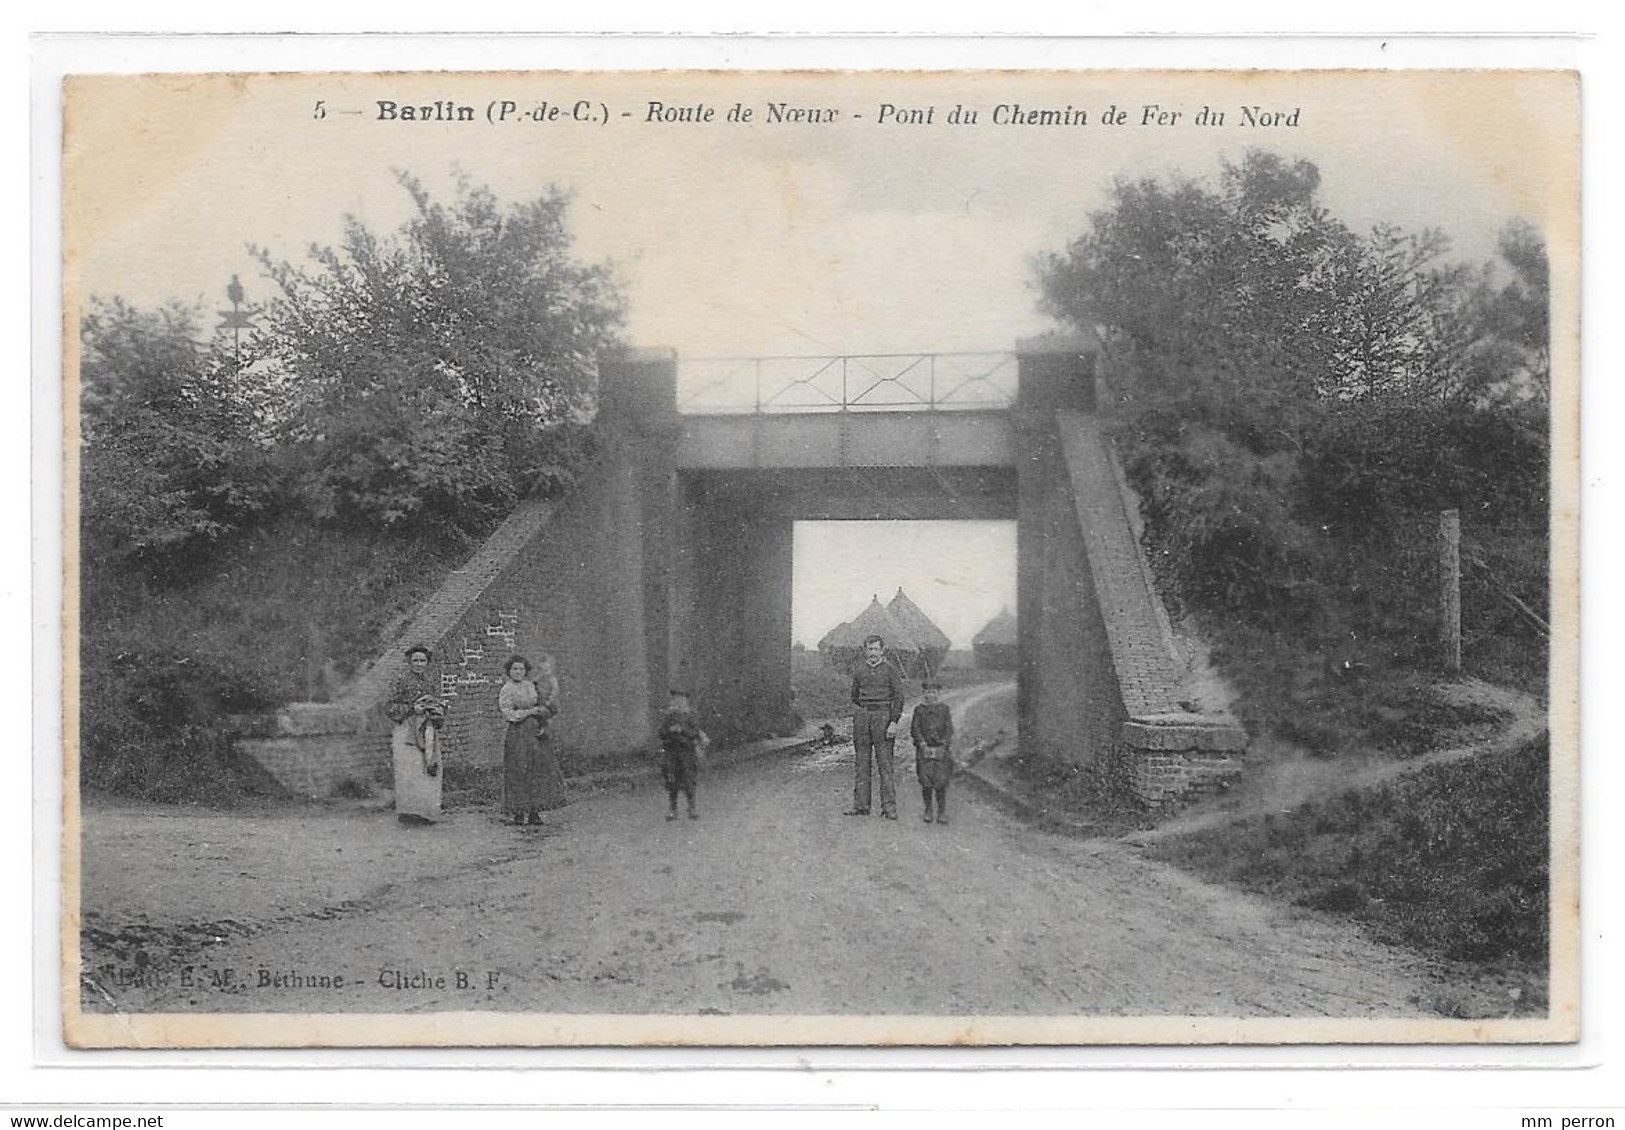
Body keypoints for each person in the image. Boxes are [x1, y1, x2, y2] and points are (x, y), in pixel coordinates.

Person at [498, 653, 565, 827]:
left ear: (526, 671)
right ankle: (518, 813)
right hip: (518, 734)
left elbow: (542, 704)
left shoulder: (531, 686)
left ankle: (535, 812)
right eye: (514, 669)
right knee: (518, 771)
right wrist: (529, 712)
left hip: (535, 732)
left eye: (521, 669)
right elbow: (508, 714)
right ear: (509, 671)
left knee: (537, 770)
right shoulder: (507, 689)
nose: (518, 672)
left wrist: (543, 714)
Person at [384, 645, 447, 825]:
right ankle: (408, 812)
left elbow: (438, 703)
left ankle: (426, 812)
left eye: (423, 661)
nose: (419, 664)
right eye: (415, 661)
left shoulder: (431, 681)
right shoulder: (400, 680)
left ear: (427, 663)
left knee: (428, 768)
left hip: (427, 729)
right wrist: (412, 709)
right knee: (408, 770)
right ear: (409, 662)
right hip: (407, 730)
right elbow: (389, 706)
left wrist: (436, 709)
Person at [847, 634, 905, 819]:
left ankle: (889, 807)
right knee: (861, 762)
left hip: (883, 717)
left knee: (885, 764)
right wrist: (860, 713)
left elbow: (899, 698)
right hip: (863, 718)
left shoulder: (890, 670)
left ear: (882, 650)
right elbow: (854, 696)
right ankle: (861, 806)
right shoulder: (859, 671)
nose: (872, 653)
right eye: (869, 649)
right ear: (865, 650)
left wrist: (893, 722)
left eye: (876, 649)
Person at [656, 689, 707, 821]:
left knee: (689, 780)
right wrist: (669, 730)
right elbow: (661, 732)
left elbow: (695, 731)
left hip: (687, 752)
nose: (678, 702)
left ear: (685, 700)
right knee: (672, 780)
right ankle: (672, 809)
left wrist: (682, 730)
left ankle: (692, 808)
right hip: (671, 752)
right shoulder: (668, 717)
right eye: (675, 699)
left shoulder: (690, 715)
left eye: (681, 699)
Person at [909, 679, 956, 825]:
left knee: (941, 780)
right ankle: (928, 809)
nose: (931, 695)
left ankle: (941, 811)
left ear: (938, 694)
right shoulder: (919, 710)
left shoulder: (944, 709)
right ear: (923, 694)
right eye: (928, 692)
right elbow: (915, 729)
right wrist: (922, 744)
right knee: (926, 780)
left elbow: (949, 729)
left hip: (941, 750)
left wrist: (944, 743)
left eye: (934, 692)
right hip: (924, 750)